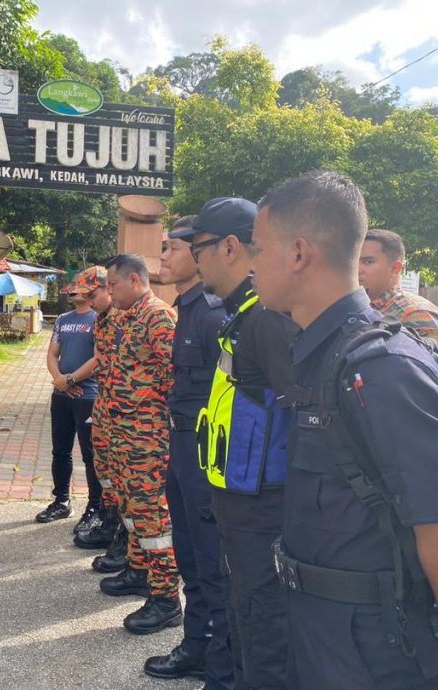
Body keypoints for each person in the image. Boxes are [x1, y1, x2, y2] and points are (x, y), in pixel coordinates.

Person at [251, 170, 438, 689]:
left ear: (297, 254)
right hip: (321, 629)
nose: (252, 264)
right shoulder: (321, 352)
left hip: (377, 650)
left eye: (258, 249)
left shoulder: (382, 366)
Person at [173, 198, 298, 689]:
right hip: (236, 509)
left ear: (229, 247)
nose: (194, 259)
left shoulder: (267, 322)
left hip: (265, 517)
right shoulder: (240, 316)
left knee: (264, 642)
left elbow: (307, 426)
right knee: (242, 626)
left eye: (197, 248)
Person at [142, 215, 234, 688]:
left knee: (210, 557)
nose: (163, 258)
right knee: (190, 555)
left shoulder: (216, 313)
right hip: (180, 444)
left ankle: (217, 660)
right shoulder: (188, 309)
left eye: (170, 249)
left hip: (204, 452)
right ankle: (196, 644)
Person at [99, 253, 181, 635]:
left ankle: (165, 598)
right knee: (130, 509)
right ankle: (138, 570)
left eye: (113, 284)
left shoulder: (159, 316)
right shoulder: (124, 316)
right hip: (120, 433)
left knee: (152, 516)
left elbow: (172, 378)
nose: (108, 291)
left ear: (134, 280)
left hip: (146, 438)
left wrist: (149, 417)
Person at [68, 266, 128, 573]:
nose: (89, 302)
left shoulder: (126, 318)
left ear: (109, 287)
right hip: (107, 408)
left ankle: (125, 542)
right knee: (104, 473)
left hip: (132, 418)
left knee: (126, 484)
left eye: (93, 295)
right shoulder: (103, 319)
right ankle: (108, 524)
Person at [35, 288, 103, 531]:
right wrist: (60, 381)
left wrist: (71, 380)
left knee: (91, 455)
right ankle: (61, 501)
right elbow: (53, 354)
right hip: (61, 395)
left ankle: (95, 507)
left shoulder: (98, 318)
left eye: (82, 285)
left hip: (88, 396)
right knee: (60, 451)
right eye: (73, 284)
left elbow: (99, 358)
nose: (75, 289)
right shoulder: (63, 320)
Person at [358, 228, 438, 349]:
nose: (358, 269)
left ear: (395, 268)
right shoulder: (360, 309)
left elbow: (436, 364)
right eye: (355, 262)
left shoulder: (418, 313)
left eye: (368, 262)